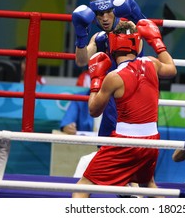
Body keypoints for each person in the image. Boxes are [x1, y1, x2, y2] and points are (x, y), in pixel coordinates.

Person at [72, 19, 177, 198]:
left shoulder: (114, 77)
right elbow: (172, 69)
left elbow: (93, 110)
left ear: (112, 46)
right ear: (137, 43)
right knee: (147, 184)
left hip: (125, 143)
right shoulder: (152, 63)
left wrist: (96, 80)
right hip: (152, 141)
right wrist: (157, 43)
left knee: (83, 186)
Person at [72, 0, 146, 138]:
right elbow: (81, 61)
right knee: (105, 147)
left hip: (133, 98)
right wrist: (81, 35)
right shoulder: (99, 38)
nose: (105, 18)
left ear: (116, 10)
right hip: (111, 103)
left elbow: (139, 47)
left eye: (108, 12)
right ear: (95, 16)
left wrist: (139, 18)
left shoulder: (129, 28)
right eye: (100, 14)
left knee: (132, 149)